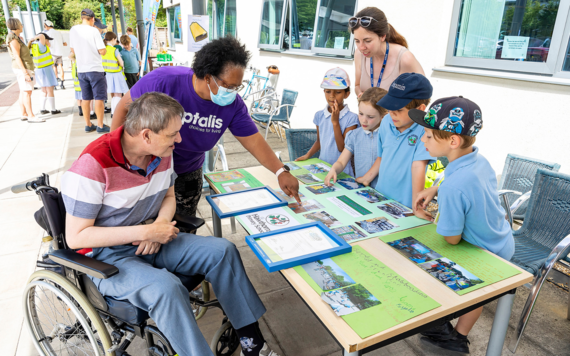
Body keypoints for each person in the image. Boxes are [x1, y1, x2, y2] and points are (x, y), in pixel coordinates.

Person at [61, 92, 279, 356]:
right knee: (167, 288)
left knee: (222, 251)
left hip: (152, 237)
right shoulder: (93, 165)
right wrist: (147, 230)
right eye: (173, 133)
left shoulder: (161, 152)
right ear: (146, 135)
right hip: (108, 257)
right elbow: (76, 237)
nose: (180, 139)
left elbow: (167, 195)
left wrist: (160, 225)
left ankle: (252, 343)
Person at [110, 37, 300, 223]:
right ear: (208, 77)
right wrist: (116, 157)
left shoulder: (233, 105)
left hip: (187, 170)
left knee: (183, 225)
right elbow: (123, 108)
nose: (233, 92)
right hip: (146, 168)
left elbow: (254, 141)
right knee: (142, 225)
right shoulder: (165, 81)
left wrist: (280, 171)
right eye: (228, 86)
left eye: (237, 87)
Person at [411, 96, 514, 353]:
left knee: (436, 266)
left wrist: (441, 213)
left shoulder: (455, 187)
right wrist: (435, 188)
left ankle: (456, 338)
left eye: (428, 136)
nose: (423, 140)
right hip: (501, 239)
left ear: (452, 141)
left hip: (485, 253)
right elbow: (456, 179)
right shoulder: (476, 159)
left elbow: (452, 238)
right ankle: (450, 328)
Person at [359, 73, 434, 211]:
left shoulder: (426, 132)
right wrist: (367, 178)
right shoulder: (387, 121)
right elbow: (382, 156)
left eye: (399, 109)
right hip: (379, 197)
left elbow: (418, 167)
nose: (392, 112)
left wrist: (416, 207)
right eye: (390, 106)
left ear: (420, 110)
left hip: (404, 205)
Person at [295, 67, 359, 176]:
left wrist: (335, 123)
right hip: (322, 168)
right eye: (328, 91)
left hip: (342, 172)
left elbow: (342, 148)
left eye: (338, 92)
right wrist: (308, 155)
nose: (332, 96)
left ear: (346, 94)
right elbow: (319, 141)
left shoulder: (352, 118)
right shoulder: (319, 115)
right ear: (324, 91)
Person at [350, 7, 424, 97]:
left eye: (368, 41)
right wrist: (361, 95)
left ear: (382, 36)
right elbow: (357, 85)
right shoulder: (359, 54)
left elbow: (423, 96)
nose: (361, 47)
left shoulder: (405, 58)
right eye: (357, 41)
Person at [324, 87, 388, 188]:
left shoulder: (389, 136)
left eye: (370, 117)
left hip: (383, 191)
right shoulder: (354, 135)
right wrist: (334, 169)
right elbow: (341, 161)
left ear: (383, 116)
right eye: (361, 114)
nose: (363, 120)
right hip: (361, 190)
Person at [69, 8, 110, 134]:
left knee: (86, 98)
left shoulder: (73, 30)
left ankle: (88, 125)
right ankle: (100, 125)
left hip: (81, 70)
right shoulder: (93, 31)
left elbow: (72, 49)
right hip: (95, 69)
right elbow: (102, 51)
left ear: (82, 18)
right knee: (99, 98)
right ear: (92, 19)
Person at [6, 18, 42, 123]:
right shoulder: (13, 39)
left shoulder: (16, 37)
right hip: (23, 68)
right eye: (21, 24)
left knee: (23, 91)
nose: (22, 26)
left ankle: (24, 114)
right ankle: (31, 116)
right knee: (27, 92)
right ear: (16, 26)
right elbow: (17, 56)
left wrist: (29, 42)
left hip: (23, 67)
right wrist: (25, 73)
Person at [28, 32, 61, 116]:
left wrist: (32, 40)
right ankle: (53, 109)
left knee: (43, 90)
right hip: (46, 69)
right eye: (47, 40)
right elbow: (41, 36)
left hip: (39, 70)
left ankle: (42, 109)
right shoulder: (41, 46)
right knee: (50, 89)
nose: (48, 42)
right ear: (43, 40)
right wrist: (35, 37)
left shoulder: (33, 46)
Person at [102, 32, 129, 117]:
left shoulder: (103, 49)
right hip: (116, 74)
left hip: (108, 75)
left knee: (113, 95)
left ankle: (113, 113)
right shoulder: (114, 50)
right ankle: (116, 113)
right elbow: (122, 63)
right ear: (113, 39)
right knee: (118, 94)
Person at [70, 52, 95, 119]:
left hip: (76, 85)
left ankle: (80, 111)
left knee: (79, 99)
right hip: (83, 84)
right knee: (88, 98)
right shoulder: (80, 64)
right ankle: (91, 111)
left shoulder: (74, 63)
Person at [43, 19, 67, 89]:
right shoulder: (59, 32)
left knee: (53, 67)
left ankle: (55, 85)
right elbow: (65, 43)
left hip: (52, 53)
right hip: (60, 53)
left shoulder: (47, 34)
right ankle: (62, 84)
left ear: (46, 26)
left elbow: (48, 44)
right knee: (60, 67)